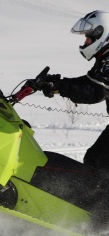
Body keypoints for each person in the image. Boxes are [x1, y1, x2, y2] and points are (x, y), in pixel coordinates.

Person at [42, 10, 109, 170]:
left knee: (99, 164)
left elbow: (96, 92)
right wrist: (57, 84)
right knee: (95, 160)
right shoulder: (105, 58)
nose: (86, 41)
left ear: (102, 34)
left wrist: (61, 87)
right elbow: (90, 81)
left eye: (88, 37)